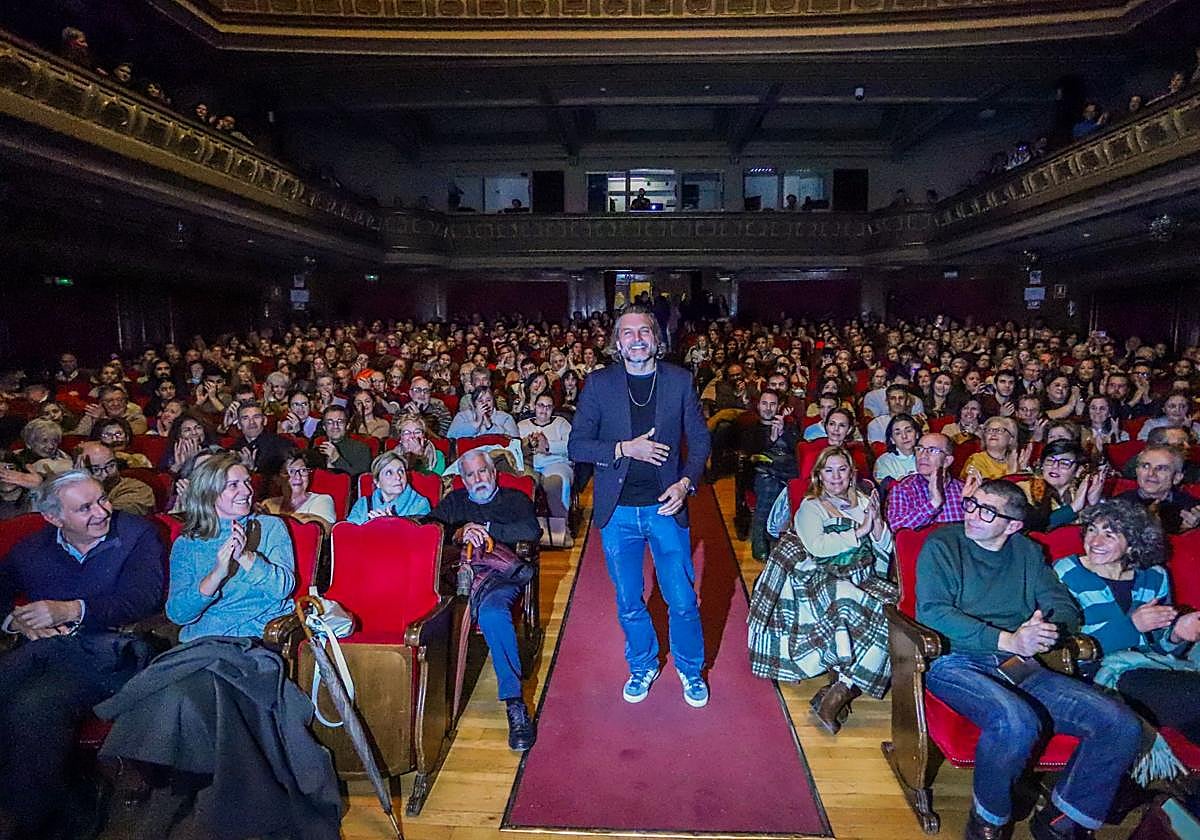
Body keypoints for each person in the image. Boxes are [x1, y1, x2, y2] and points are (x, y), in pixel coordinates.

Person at [98, 453, 340, 840]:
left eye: (246, 483)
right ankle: (172, 787)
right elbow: (179, 614)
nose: (245, 491)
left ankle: (184, 794)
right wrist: (216, 573)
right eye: (233, 485)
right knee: (180, 690)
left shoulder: (270, 528)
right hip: (200, 647)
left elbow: (282, 588)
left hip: (251, 647)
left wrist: (246, 557)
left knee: (184, 693)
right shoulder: (188, 545)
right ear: (209, 494)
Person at [916, 479, 1142, 840]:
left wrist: (1047, 629)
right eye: (972, 504)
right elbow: (932, 612)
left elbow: (1062, 604)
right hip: (953, 660)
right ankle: (987, 822)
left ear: (1013, 525)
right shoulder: (944, 543)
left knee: (1120, 724)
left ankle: (1062, 821)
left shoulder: (1026, 552)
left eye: (987, 511)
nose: (972, 514)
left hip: (1019, 663)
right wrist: (1008, 638)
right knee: (1015, 721)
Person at [0, 471, 165, 837]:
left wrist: (72, 609)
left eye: (102, 499)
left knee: (32, 707)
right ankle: (64, 808)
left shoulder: (137, 535)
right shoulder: (31, 550)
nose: (103, 511)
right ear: (54, 518)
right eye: (85, 508)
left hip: (114, 656)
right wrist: (16, 621)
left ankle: (41, 823)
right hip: (46, 654)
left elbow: (143, 598)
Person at [568, 304, 711, 708]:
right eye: (627, 333)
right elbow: (577, 444)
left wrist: (686, 483)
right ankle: (643, 663)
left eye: (644, 331)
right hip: (618, 513)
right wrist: (623, 448)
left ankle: (689, 668)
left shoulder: (680, 381)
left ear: (657, 339)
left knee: (681, 598)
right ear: (617, 342)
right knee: (629, 600)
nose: (636, 339)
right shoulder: (599, 384)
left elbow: (700, 440)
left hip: (666, 506)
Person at [749, 446, 896, 734]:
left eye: (842, 469)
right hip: (818, 577)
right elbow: (818, 548)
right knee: (845, 600)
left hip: (862, 575)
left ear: (852, 474)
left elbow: (885, 548)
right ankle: (839, 689)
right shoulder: (811, 507)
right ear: (819, 475)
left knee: (889, 612)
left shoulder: (865, 501)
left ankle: (839, 689)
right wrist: (858, 532)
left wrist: (877, 526)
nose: (836, 476)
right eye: (829, 470)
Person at [1054, 500, 1200, 754]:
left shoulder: (1154, 575)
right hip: (1100, 675)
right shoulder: (1067, 571)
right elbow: (1067, 646)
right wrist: (1132, 625)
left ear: (1133, 542)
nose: (1095, 542)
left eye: (1109, 535)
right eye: (1091, 530)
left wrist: (1177, 634)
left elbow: (1159, 645)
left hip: (1152, 668)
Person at [429, 450, 541, 751]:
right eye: (470, 475)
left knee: (492, 614)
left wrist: (488, 530)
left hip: (499, 578)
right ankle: (429, 699)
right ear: (462, 479)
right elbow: (430, 527)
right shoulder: (455, 503)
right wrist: (460, 531)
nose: (477, 479)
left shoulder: (514, 499)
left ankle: (515, 703)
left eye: (482, 472)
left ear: (493, 473)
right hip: (457, 578)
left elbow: (531, 531)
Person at [736, 389, 798, 560]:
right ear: (758, 405)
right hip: (759, 475)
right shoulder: (751, 428)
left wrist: (784, 431)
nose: (768, 408)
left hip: (786, 473)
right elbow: (749, 454)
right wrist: (771, 439)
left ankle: (770, 536)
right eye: (765, 404)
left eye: (772, 404)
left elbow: (797, 451)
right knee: (769, 483)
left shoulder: (789, 427)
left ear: (778, 406)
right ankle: (760, 538)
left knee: (777, 482)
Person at [1015, 440, 1105, 532]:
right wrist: (1073, 508)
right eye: (1050, 461)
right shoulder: (1023, 490)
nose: (1055, 466)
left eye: (1064, 463)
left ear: (1078, 471)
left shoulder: (1081, 493)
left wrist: (1092, 504)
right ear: (1042, 465)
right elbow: (1035, 526)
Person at [886, 432, 965, 530]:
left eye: (932, 450)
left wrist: (969, 506)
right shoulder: (903, 489)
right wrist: (933, 505)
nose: (923, 455)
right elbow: (895, 526)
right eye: (919, 449)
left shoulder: (963, 490)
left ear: (947, 461)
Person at [518, 394, 574, 532]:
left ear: (553, 409)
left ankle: (559, 530)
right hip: (529, 465)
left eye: (548, 407)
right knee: (522, 484)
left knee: (555, 482)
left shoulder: (561, 423)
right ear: (534, 407)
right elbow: (513, 448)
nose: (544, 410)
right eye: (540, 405)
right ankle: (526, 529)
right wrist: (528, 446)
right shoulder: (522, 425)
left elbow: (572, 447)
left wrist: (548, 446)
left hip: (556, 463)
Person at [1117, 443, 1200, 533]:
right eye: (1146, 466)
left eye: (1161, 468)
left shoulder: (1192, 510)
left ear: (1177, 478)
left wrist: (1189, 531)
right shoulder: (1118, 505)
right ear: (1137, 471)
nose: (1151, 473)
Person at [346, 451, 431, 524]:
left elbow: (421, 540)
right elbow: (348, 536)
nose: (398, 477)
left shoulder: (420, 504)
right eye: (389, 473)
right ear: (377, 481)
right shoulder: (363, 504)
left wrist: (393, 526)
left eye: (401, 471)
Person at [75, 441, 156, 516]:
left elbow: (107, 518)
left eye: (111, 465)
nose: (105, 474)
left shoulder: (137, 489)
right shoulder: (70, 492)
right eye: (95, 470)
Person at [260, 452, 337, 526]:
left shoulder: (322, 500)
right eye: (291, 471)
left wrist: (270, 517)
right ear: (277, 479)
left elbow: (323, 530)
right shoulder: (268, 504)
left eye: (303, 470)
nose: (298, 477)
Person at [230, 401, 292, 478]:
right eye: (245, 418)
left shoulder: (282, 444)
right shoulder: (233, 450)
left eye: (256, 417)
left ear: (265, 420)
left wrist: (252, 471)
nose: (251, 422)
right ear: (239, 424)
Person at [960, 416, 1026, 481]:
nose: (993, 433)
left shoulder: (1015, 460)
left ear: (1011, 439)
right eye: (989, 430)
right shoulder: (976, 460)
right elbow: (988, 489)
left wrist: (1023, 470)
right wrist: (1011, 473)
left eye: (999, 430)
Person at [317, 404, 372, 476]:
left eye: (340, 421)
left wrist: (337, 459)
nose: (335, 426)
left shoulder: (361, 449)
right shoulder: (317, 446)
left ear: (347, 426)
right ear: (324, 427)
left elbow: (360, 479)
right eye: (330, 422)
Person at [447, 387, 519, 439]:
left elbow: (514, 441)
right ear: (474, 404)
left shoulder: (505, 418)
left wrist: (489, 426)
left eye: (488, 400)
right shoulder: (462, 416)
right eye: (480, 401)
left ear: (493, 401)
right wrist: (477, 423)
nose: (485, 404)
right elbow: (451, 436)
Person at [873, 413, 919, 489]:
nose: (904, 436)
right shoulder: (884, 461)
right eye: (898, 433)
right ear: (892, 440)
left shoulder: (927, 455)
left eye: (908, 431)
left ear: (917, 434)